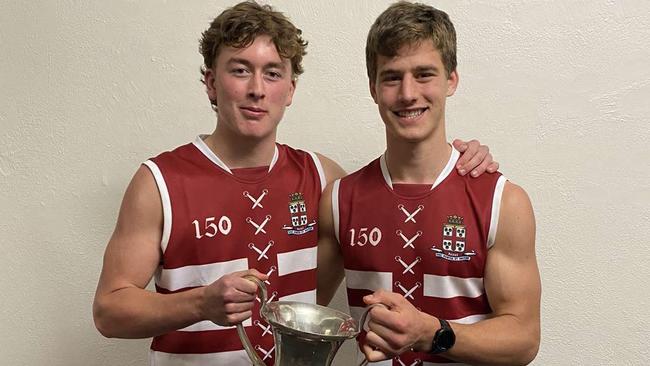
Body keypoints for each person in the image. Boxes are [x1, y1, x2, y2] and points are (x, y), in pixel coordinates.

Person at [92, 1, 497, 365]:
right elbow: (109, 312)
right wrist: (200, 302)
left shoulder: (325, 181)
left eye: (272, 73)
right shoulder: (159, 181)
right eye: (239, 70)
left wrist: (465, 159)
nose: (256, 89)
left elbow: (408, 185)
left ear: (290, 90)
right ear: (212, 83)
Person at [317, 1, 541, 365]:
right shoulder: (339, 199)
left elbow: (524, 339)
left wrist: (431, 333)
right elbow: (300, 309)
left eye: (424, 74)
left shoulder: (502, 200)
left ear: (451, 80)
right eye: (391, 76)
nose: (408, 93)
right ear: (373, 87)